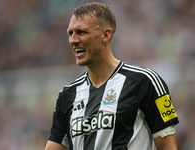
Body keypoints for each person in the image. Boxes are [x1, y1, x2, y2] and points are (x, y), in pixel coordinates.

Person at [45, 2, 179, 150]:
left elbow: (168, 146)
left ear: (105, 35)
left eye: (82, 32)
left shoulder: (145, 82)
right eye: (70, 33)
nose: (73, 40)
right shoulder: (67, 95)